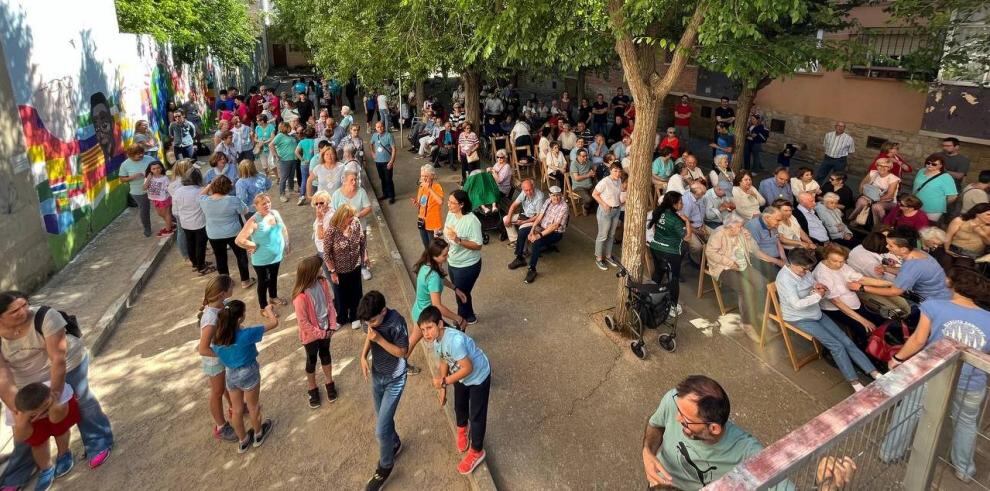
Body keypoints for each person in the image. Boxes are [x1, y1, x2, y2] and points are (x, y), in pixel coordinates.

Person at [884, 267, 990, 482]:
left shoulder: (933, 306)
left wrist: (898, 359)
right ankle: (964, 469)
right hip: (973, 381)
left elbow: (918, 340)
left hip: (931, 373)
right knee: (967, 423)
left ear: (952, 284)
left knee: (909, 411)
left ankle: (889, 452)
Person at [0, 292, 113, 488]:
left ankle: (98, 441)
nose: (23, 311)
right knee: (22, 423)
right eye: (14, 311)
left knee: (81, 401)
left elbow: (58, 359)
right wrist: (19, 409)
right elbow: (2, 374)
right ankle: (20, 470)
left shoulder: (46, 316)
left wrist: (54, 396)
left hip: (67, 364)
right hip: (24, 377)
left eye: (25, 305)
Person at [776, 249, 880, 392]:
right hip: (799, 317)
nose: (806, 271)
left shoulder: (804, 271)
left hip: (815, 312)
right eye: (803, 269)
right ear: (791, 263)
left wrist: (818, 286)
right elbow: (796, 305)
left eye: (808, 269)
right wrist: (818, 296)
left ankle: (874, 372)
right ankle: (854, 382)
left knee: (846, 341)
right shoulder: (784, 280)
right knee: (836, 346)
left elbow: (811, 282)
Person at [640, 375, 764, 489]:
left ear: (713, 428)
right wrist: (647, 451)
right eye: (678, 411)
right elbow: (656, 425)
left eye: (686, 419)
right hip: (658, 484)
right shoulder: (676, 400)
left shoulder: (747, 452)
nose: (677, 418)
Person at [418, 306, 492, 476]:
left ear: (440, 324)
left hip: (478, 376)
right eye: (423, 330)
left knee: (477, 415)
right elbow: (444, 359)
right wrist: (443, 387)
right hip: (459, 374)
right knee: (459, 405)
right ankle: (462, 429)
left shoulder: (455, 341)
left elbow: (468, 367)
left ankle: (477, 451)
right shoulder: (437, 340)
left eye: (429, 328)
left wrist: (444, 381)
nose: (426, 333)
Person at [356, 292, 411, 491]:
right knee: (383, 419)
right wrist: (363, 356)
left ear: (383, 311)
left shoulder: (396, 322)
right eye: (366, 322)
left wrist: (379, 339)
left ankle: (385, 466)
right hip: (377, 376)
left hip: (395, 379)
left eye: (373, 321)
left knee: (380, 430)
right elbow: (369, 336)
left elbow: (402, 352)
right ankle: (395, 443)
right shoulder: (369, 321)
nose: (369, 325)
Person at [210, 300, 279, 453]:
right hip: (248, 371)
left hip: (231, 374)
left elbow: (209, 350)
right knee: (253, 406)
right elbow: (274, 323)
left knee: (236, 409)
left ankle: (242, 440)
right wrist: (268, 310)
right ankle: (258, 434)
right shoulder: (246, 334)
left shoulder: (217, 338)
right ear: (240, 318)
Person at [813, 244, 892, 348]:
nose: (838, 264)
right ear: (826, 257)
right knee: (864, 329)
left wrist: (889, 284)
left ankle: (884, 346)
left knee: (880, 320)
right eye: (834, 261)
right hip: (836, 309)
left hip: (853, 303)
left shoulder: (843, 266)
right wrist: (863, 321)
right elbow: (837, 302)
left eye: (841, 261)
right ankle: (867, 352)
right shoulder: (822, 274)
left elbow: (862, 279)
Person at [705, 215, 771, 338]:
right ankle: (746, 324)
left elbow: (753, 250)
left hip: (742, 264)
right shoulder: (719, 234)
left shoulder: (740, 233)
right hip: (724, 267)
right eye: (739, 226)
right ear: (730, 226)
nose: (742, 228)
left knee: (763, 283)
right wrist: (730, 263)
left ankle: (758, 312)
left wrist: (749, 239)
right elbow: (710, 253)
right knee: (747, 289)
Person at [860, 227, 953, 307]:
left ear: (903, 249)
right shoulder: (917, 253)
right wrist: (886, 269)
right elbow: (907, 272)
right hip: (944, 294)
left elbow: (894, 291)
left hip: (931, 301)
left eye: (891, 245)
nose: (887, 246)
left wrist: (862, 288)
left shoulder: (912, 265)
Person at [12, 381, 80, 490]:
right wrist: (25, 418)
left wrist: (52, 404)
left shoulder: (57, 393)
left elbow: (57, 419)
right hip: (29, 415)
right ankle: (46, 468)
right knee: (37, 442)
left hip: (54, 405)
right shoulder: (18, 411)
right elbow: (20, 437)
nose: (41, 414)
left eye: (44, 408)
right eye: (37, 412)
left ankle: (64, 454)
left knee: (60, 430)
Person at [196, 275, 239, 445]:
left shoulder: (220, 306)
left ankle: (234, 408)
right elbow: (203, 348)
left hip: (222, 356)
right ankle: (221, 426)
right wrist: (222, 355)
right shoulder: (211, 319)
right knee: (217, 391)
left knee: (227, 385)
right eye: (230, 286)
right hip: (215, 361)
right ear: (222, 293)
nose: (233, 286)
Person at [291, 256, 338, 409]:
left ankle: (329, 381)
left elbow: (330, 303)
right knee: (311, 360)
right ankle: (312, 387)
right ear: (310, 272)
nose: (321, 270)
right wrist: (320, 333)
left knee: (325, 354)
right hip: (311, 336)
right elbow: (303, 322)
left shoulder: (323, 283)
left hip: (326, 330)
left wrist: (331, 325)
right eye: (318, 268)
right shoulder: (300, 297)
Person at [235, 194, 290, 311]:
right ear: (256, 206)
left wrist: (287, 243)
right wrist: (253, 245)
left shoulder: (275, 213)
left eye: (268, 202)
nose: (267, 205)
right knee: (263, 282)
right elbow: (239, 240)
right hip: (261, 260)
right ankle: (264, 307)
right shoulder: (254, 221)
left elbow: (283, 228)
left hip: (276, 256)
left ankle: (273, 297)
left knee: (273, 277)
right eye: (263, 203)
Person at [201, 176, 255, 289]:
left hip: (214, 234)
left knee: (220, 258)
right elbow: (244, 210)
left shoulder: (204, 200)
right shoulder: (232, 200)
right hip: (233, 232)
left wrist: (210, 185)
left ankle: (224, 283)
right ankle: (245, 280)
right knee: (241, 256)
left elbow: (201, 194)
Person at [509, 186, 570, 284]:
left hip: (555, 233)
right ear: (550, 195)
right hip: (542, 227)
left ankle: (532, 269)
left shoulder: (564, 207)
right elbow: (540, 216)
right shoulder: (548, 201)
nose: (556, 198)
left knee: (536, 242)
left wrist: (538, 235)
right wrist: (532, 230)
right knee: (522, 231)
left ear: (561, 195)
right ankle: (520, 257)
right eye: (554, 195)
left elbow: (554, 226)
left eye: (558, 195)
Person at [323, 205, 367, 329]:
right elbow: (327, 254)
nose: (352, 218)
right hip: (339, 269)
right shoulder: (332, 230)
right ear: (342, 217)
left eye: (353, 216)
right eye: (349, 217)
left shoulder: (355, 223)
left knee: (356, 292)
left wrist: (365, 255)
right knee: (340, 294)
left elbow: (362, 240)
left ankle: (355, 316)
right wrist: (332, 271)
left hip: (355, 264)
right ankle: (341, 318)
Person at [648, 192, 691, 310]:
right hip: (671, 252)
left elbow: (656, 229)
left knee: (658, 273)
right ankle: (672, 306)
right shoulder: (676, 220)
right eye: (680, 202)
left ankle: (651, 297)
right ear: (674, 204)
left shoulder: (659, 211)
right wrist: (687, 221)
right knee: (673, 279)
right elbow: (687, 238)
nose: (682, 204)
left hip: (655, 247)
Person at [172, 169, 213, 275]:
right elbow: (207, 206)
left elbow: (175, 210)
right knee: (200, 245)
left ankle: (195, 263)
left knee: (190, 243)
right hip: (200, 223)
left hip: (185, 223)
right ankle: (201, 267)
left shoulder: (178, 191)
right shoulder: (201, 190)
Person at [849, 157, 900, 227]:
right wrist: (862, 194)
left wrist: (874, 200)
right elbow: (862, 185)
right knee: (862, 201)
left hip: (887, 200)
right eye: (880, 165)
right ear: (877, 166)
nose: (882, 168)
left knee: (876, 207)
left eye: (886, 166)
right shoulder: (873, 173)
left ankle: (880, 226)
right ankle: (856, 219)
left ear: (889, 168)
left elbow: (890, 195)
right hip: (870, 196)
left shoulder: (893, 178)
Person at [593, 162, 626, 271]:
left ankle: (608, 256)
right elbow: (594, 194)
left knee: (611, 235)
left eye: (619, 171)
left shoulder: (619, 180)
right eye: (615, 171)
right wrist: (604, 204)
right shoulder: (605, 181)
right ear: (610, 170)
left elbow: (618, 194)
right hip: (606, 211)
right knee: (603, 235)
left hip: (616, 210)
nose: (618, 173)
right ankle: (598, 257)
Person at [119, 145, 155, 237]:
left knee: (163, 206)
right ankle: (147, 228)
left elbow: (160, 169)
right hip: (138, 191)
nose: (140, 155)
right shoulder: (125, 164)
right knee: (144, 209)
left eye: (142, 153)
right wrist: (133, 177)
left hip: (154, 188)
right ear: (130, 155)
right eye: (137, 154)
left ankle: (172, 222)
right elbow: (122, 179)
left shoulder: (149, 159)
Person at [743, 206, 787, 278]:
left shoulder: (772, 224)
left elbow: (777, 242)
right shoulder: (753, 226)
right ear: (767, 218)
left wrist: (784, 259)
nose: (780, 223)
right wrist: (778, 262)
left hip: (777, 259)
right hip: (764, 262)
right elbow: (755, 252)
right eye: (778, 220)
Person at [913, 153, 958, 222]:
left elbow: (953, 196)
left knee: (926, 229)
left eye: (934, 164)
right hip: (915, 205)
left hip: (933, 209)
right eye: (928, 163)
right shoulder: (921, 171)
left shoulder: (946, 177)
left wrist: (941, 203)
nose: (930, 165)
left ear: (941, 165)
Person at [143, 160, 175, 237]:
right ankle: (170, 224)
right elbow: (144, 188)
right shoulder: (149, 178)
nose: (156, 170)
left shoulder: (164, 178)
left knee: (166, 214)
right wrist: (148, 178)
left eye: (158, 168)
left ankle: (168, 230)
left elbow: (169, 188)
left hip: (164, 199)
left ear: (161, 168)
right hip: (155, 199)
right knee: (160, 214)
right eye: (153, 169)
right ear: (150, 170)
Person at [270, 122, 299, 203]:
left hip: (293, 159)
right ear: (284, 127)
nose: (290, 128)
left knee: (291, 176)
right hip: (284, 160)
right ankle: (282, 194)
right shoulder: (279, 136)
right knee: (284, 178)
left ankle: (291, 189)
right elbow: (271, 145)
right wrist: (276, 155)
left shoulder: (290, 136)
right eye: (289, 127)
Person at [294, 127, 318, 206]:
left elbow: (296, 152)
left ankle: (302, 196)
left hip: (304, 163)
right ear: (314, 134)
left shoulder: (302, 142)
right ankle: (315, 197)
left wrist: (302, 159)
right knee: (315, 180)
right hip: (314, 163)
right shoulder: (315, 142)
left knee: (304, 180)